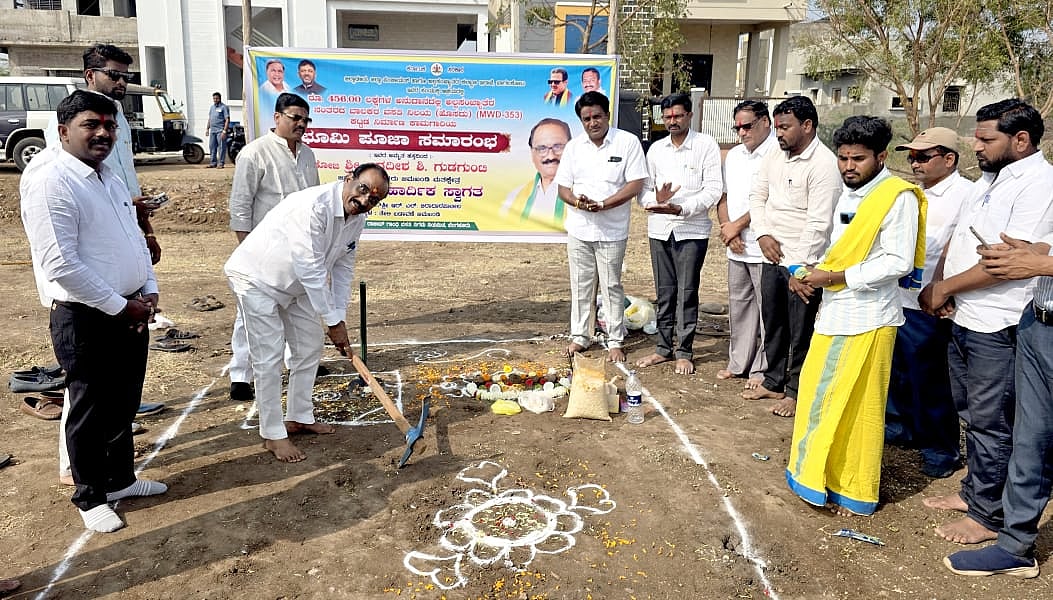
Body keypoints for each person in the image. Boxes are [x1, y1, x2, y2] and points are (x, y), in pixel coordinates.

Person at [21, 90, 168, 533]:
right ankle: (90, 496)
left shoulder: (108, 176)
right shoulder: (50, 179)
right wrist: (120, 306)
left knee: (124, 400)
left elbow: (133, 239)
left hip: (129, 309)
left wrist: (149, 287)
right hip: (86, 315)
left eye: (110, 125)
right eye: (92, 125)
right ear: (63, 131)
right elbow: (60, 264)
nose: (103, 133)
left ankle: (121, 480)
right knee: (89, 408)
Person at [920, 98, 1053, 545]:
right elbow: (963, 240)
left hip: (999, 323)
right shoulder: (989, 181)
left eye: (985, 138)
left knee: (992, 421)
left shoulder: (1038, 184)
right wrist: (942, 286)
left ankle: (986, 515)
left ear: (1021, 140)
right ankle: (975, 491)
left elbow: (1004, 262)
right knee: (972, 413)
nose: (976, 146)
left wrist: (944, 288)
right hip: (966, 316)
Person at [785, 116, 925, 516]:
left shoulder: (896, 197)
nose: (849, 166)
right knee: (828, 397)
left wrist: (835, 276)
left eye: (858, 159)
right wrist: (807, 271)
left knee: (844, 404)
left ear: (881, 157)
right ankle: (828, 479)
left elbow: (897, 261)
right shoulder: (851, 194)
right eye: (843, 158)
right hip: (839, 311)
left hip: (865, 317)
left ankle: (837, 483)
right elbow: (838, 245)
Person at [224, 164, 390, 463]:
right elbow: (309, 267)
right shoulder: (313, 205)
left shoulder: (357, 219)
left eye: (374, 200)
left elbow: (342, 268)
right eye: (363, 189)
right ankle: (273, 435)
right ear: (349, 178)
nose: (365, 201)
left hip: (295, 286)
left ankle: (299, 416)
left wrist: (338, 315)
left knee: (309, 347)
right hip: (256, 279)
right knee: (269, 355)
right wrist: (332, 322)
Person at [944, 232, 1053, 578]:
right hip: (1039, 322)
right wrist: (1033, 250)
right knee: (1030, 440)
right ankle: (1015, 546)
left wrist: (1041, 264)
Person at [743, 95, 841, 417]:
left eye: (785, 127)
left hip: (806, 262)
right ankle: (773, 381)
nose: (779, 133)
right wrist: (762, 234)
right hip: (773, 254)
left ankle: (796, 391)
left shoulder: (824, 165)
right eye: (778, 127)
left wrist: (798, 268)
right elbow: (757, 196)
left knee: (802, 331)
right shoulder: (775, 154)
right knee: (773, 322)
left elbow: (818, 224)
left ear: (807, 126)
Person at [886, 127, 974, 478]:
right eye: (911, 156)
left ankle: (941, 449)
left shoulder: (966, 195)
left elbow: (959, 250)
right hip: (899, 297)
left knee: (932, 380)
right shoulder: (909, 193)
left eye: (923, 156)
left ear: (949, 159)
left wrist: (943, 291)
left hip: (931, 303)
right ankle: (901, 426)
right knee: (899, 372)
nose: (914, 162)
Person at [227, 93, 320, 401]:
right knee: (250, 312)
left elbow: (314, 200)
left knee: (297, 305)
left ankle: (298, 363)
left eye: (305, 120)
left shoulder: (307, 155)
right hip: (261, 249)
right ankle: (241, 374)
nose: (301, 125)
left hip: (298, 247)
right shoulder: (254, 153)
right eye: (295, 118)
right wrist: (245, 249)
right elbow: (240, 204)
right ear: (277, 117)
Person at [553, 91, 648, 362]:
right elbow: (563, 188)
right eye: (586, 119)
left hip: (612, 229)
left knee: (611, 286)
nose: (592, 122)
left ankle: (615, 339)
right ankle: (581, 336)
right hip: (580, 227)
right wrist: (578, 202)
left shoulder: (627, 142)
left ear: (607, 115)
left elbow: (636, 183)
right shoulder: (574, 147)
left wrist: (606, 204)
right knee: (581, 285)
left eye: (597, 116)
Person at [635, 93, 722, 375]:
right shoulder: (656, 149)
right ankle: (662, 348)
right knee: (664, 292)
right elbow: (644, 191)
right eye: (668, 116)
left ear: (689, 115)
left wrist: (681, 208)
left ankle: (684, 350)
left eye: (678, 116)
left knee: (687, 291)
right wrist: (656, 201)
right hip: (660, 229)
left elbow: (713, 190)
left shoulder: (705, 145)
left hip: (691, 230)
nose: (672, 121)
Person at [717, 100, 777, 387]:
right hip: (737, 245)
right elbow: (725, 197)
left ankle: (762, 369)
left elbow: (769, 200)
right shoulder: (735, 156)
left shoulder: (778, 153)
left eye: (747, 126)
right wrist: (729, 231)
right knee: (739, 307)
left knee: (767, 311)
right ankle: (738, 363)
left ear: (766, 121)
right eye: (737, 127)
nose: (741, 132)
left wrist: (737, 227)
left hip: (765, 246)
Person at [500, 118, 572, 228]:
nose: (551, 156)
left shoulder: (584, 192)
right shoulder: (515, 197)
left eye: (558, 147)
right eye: (542, 148)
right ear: (532, 153)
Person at [206, 91, 230, 169]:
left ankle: (221, 163)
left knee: (221, 147)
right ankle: (213, 163)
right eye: (214, 98)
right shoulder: (212, 107)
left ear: (220, 98)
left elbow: (227, 119)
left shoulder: (224, 107)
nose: (215, 100)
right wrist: (207, 128)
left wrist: (224, 131)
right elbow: (210, 118)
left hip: (220, 131)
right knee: (212, 147)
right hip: (213, 131)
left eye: (216, 98)